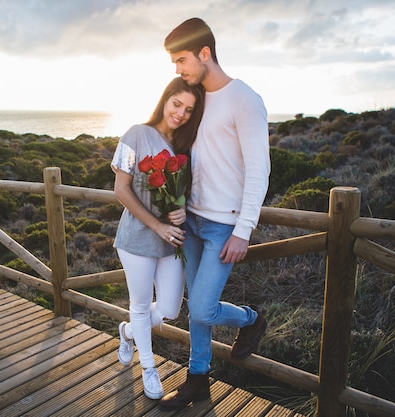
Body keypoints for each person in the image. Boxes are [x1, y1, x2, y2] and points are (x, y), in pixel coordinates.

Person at [158, 18, 271, 411]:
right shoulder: (198, 100)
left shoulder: (244, 98)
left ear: (205, 53)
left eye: (182, 60)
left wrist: (244, 229)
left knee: (204, 307)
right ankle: (197, 380)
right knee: (196, 310)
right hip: (191, 221)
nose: (178, 70)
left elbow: (259, 169)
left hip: (225, 225)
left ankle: (252, 319)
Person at [111, 76, 205, 400]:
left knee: (170, 308)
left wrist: (181, 211)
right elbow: (120, 189)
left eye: (189, 110)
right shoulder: (136, 133)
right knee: (139, 305)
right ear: (165, 100)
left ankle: (127, 332)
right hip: (137, 238)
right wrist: (157, 225)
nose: (180, 113)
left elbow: (182, 194)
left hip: (170, 240)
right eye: (176, 104)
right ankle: (148, 368)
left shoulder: (183, 148)